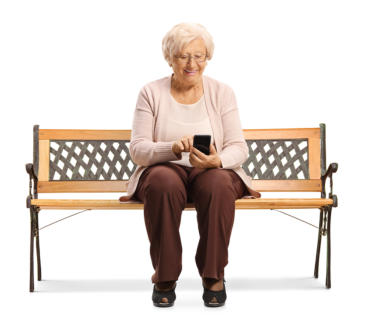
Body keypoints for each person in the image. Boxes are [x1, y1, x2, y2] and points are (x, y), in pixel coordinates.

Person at [119, 22, 261, 307]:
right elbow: (138, 149)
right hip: (165, 169)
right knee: (162, 182)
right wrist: (171, 148)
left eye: (199, 55)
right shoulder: (151, 92)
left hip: (208, 169)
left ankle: (213, 275)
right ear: (170, 58)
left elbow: (238, 147)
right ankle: (165, 276)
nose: (192, 63)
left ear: (207, 58)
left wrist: (216, 160)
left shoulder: (222, 92)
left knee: (220, 183)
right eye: (184, 55)